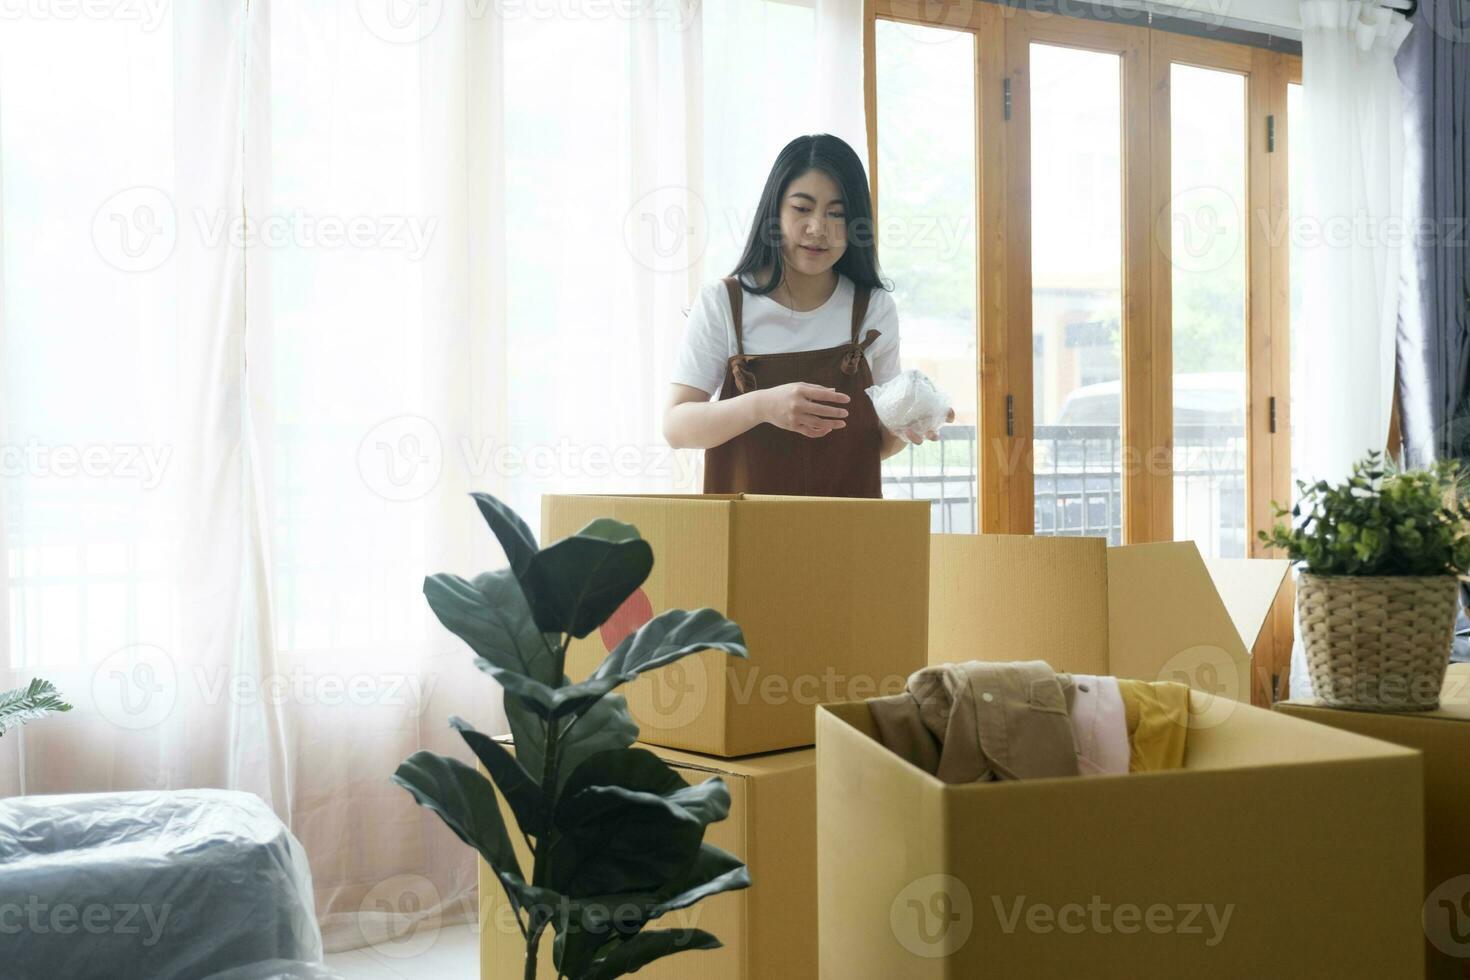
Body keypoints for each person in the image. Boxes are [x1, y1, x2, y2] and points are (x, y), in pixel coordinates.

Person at [663, 133, 950, 498]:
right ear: (774, 211)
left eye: (838, 213)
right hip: (747, 537)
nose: (818, 228)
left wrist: (910, 423)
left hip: (848, 535)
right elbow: (676, 427)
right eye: (802, 208)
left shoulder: (873, 308)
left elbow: (874, 446)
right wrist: (763, 406)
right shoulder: (723, 302)